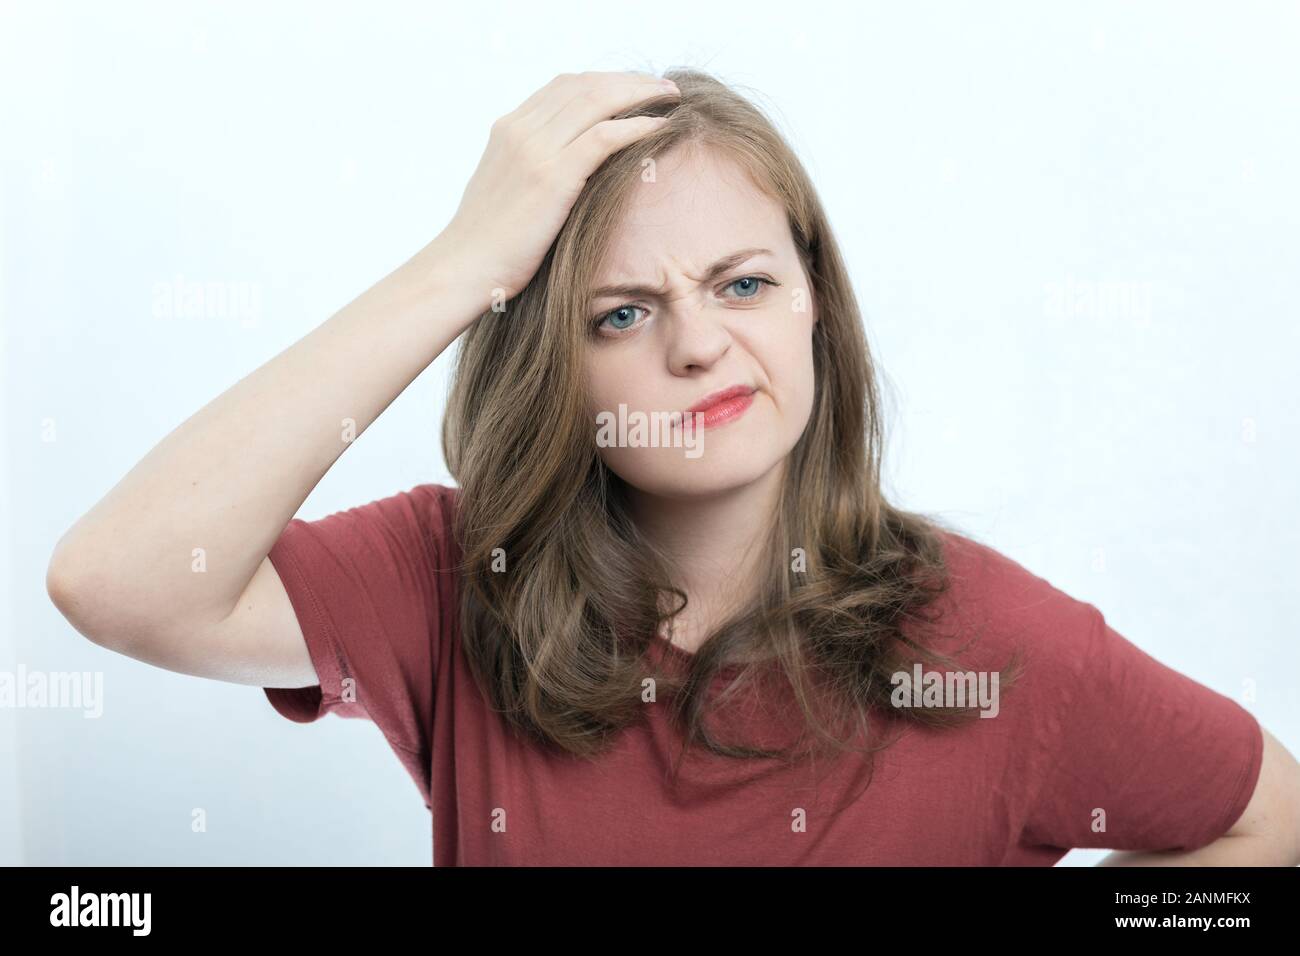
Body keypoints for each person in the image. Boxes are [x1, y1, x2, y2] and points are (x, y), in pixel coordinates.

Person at [45, 68, 1299, 866]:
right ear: (553, 366)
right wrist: (461, 262)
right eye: (622, 313)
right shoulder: (451, 578)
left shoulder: (992, 638)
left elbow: (1264, 816)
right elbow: (123, 578)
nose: (702, 343)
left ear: (815, 303)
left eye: (743, 283)